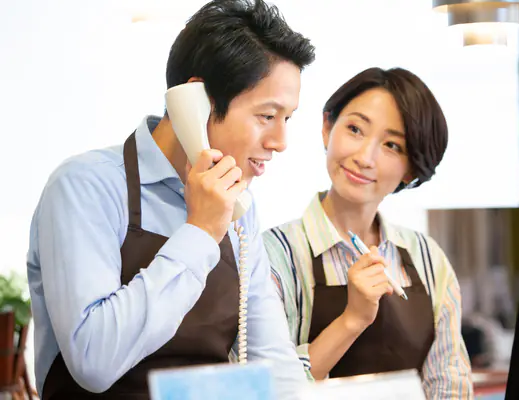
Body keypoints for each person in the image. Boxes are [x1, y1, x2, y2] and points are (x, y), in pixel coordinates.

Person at [26, 1, 315, 398]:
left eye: (287, 119)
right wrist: (200, 231)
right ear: (197, 98)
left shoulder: (239, 208)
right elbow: (93, 361)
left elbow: (275, 364)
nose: (280, 142)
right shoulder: (86, 186)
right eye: (267, 116)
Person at [263, 67, 474, 398]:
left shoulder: (427, 258)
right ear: (327, 128)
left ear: (410, 170)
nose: (364, 158)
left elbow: (450, 385)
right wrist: (353, 319)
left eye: (392, 145)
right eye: (355, 129)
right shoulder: (273, 255)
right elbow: (268, 389)